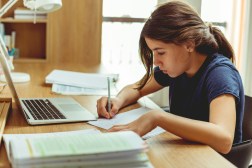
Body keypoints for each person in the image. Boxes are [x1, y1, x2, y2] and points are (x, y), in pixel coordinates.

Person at [96, 1, 244, 154]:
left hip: (213, 161)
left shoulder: (220, 74)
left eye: (160, 52)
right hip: (187, 152)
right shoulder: (177, 68)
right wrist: (118, 100)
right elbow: (137, 88)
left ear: (189, 44)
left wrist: (158, 118)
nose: (155, 61)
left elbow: (224, 139)